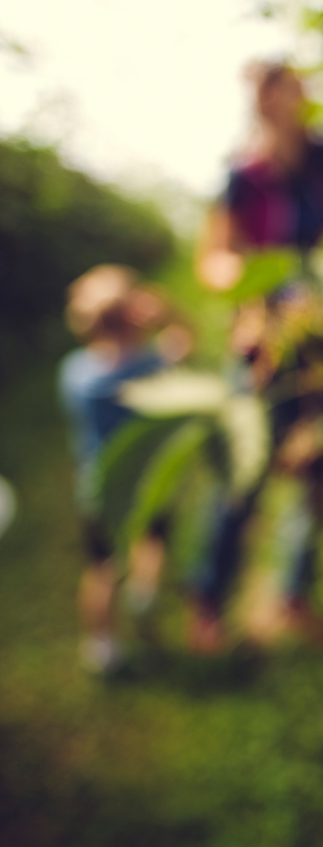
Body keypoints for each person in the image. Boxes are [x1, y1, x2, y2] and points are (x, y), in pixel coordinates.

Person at [191, 62, 323, 648]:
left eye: (280, 88)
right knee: (244, 469)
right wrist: (250, 287)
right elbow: (213, 258)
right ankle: (210, 601)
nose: (273, 102)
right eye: (261, 94)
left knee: (320, 465)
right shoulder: (244, 176)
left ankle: (293, 595)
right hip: (268, 344)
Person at [58, 265, 190, 673]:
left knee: (100, 568)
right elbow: (185, 341)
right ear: (133, 315)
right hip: (150, 481)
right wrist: (167, 313)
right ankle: (144, 592)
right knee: (153, 541)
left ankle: (102, 647)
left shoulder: (75, 372)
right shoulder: (147, 368)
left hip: (97, 486)